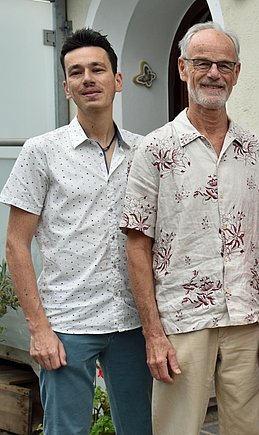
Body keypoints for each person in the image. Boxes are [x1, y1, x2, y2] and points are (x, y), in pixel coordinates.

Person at [121, 21, 259, 435]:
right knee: (176, 429)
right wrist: (153, 333)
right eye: (202, 63)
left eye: (224, 65)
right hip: (180, 319)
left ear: (236, 73)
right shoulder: (153, 150)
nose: (214, 73)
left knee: (248, 429)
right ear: (182, 68)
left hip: (246, 319)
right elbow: (137, 244)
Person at [1, 28, 152, 434]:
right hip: (67, 324)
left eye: (98, 69)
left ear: (117, 81)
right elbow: (16, 244)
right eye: (76, 72)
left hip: (132, 322)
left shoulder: (144, 152)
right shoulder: (40, 151)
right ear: (66, 87)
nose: (88, 78)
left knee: (140, 428)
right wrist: (38, 328)